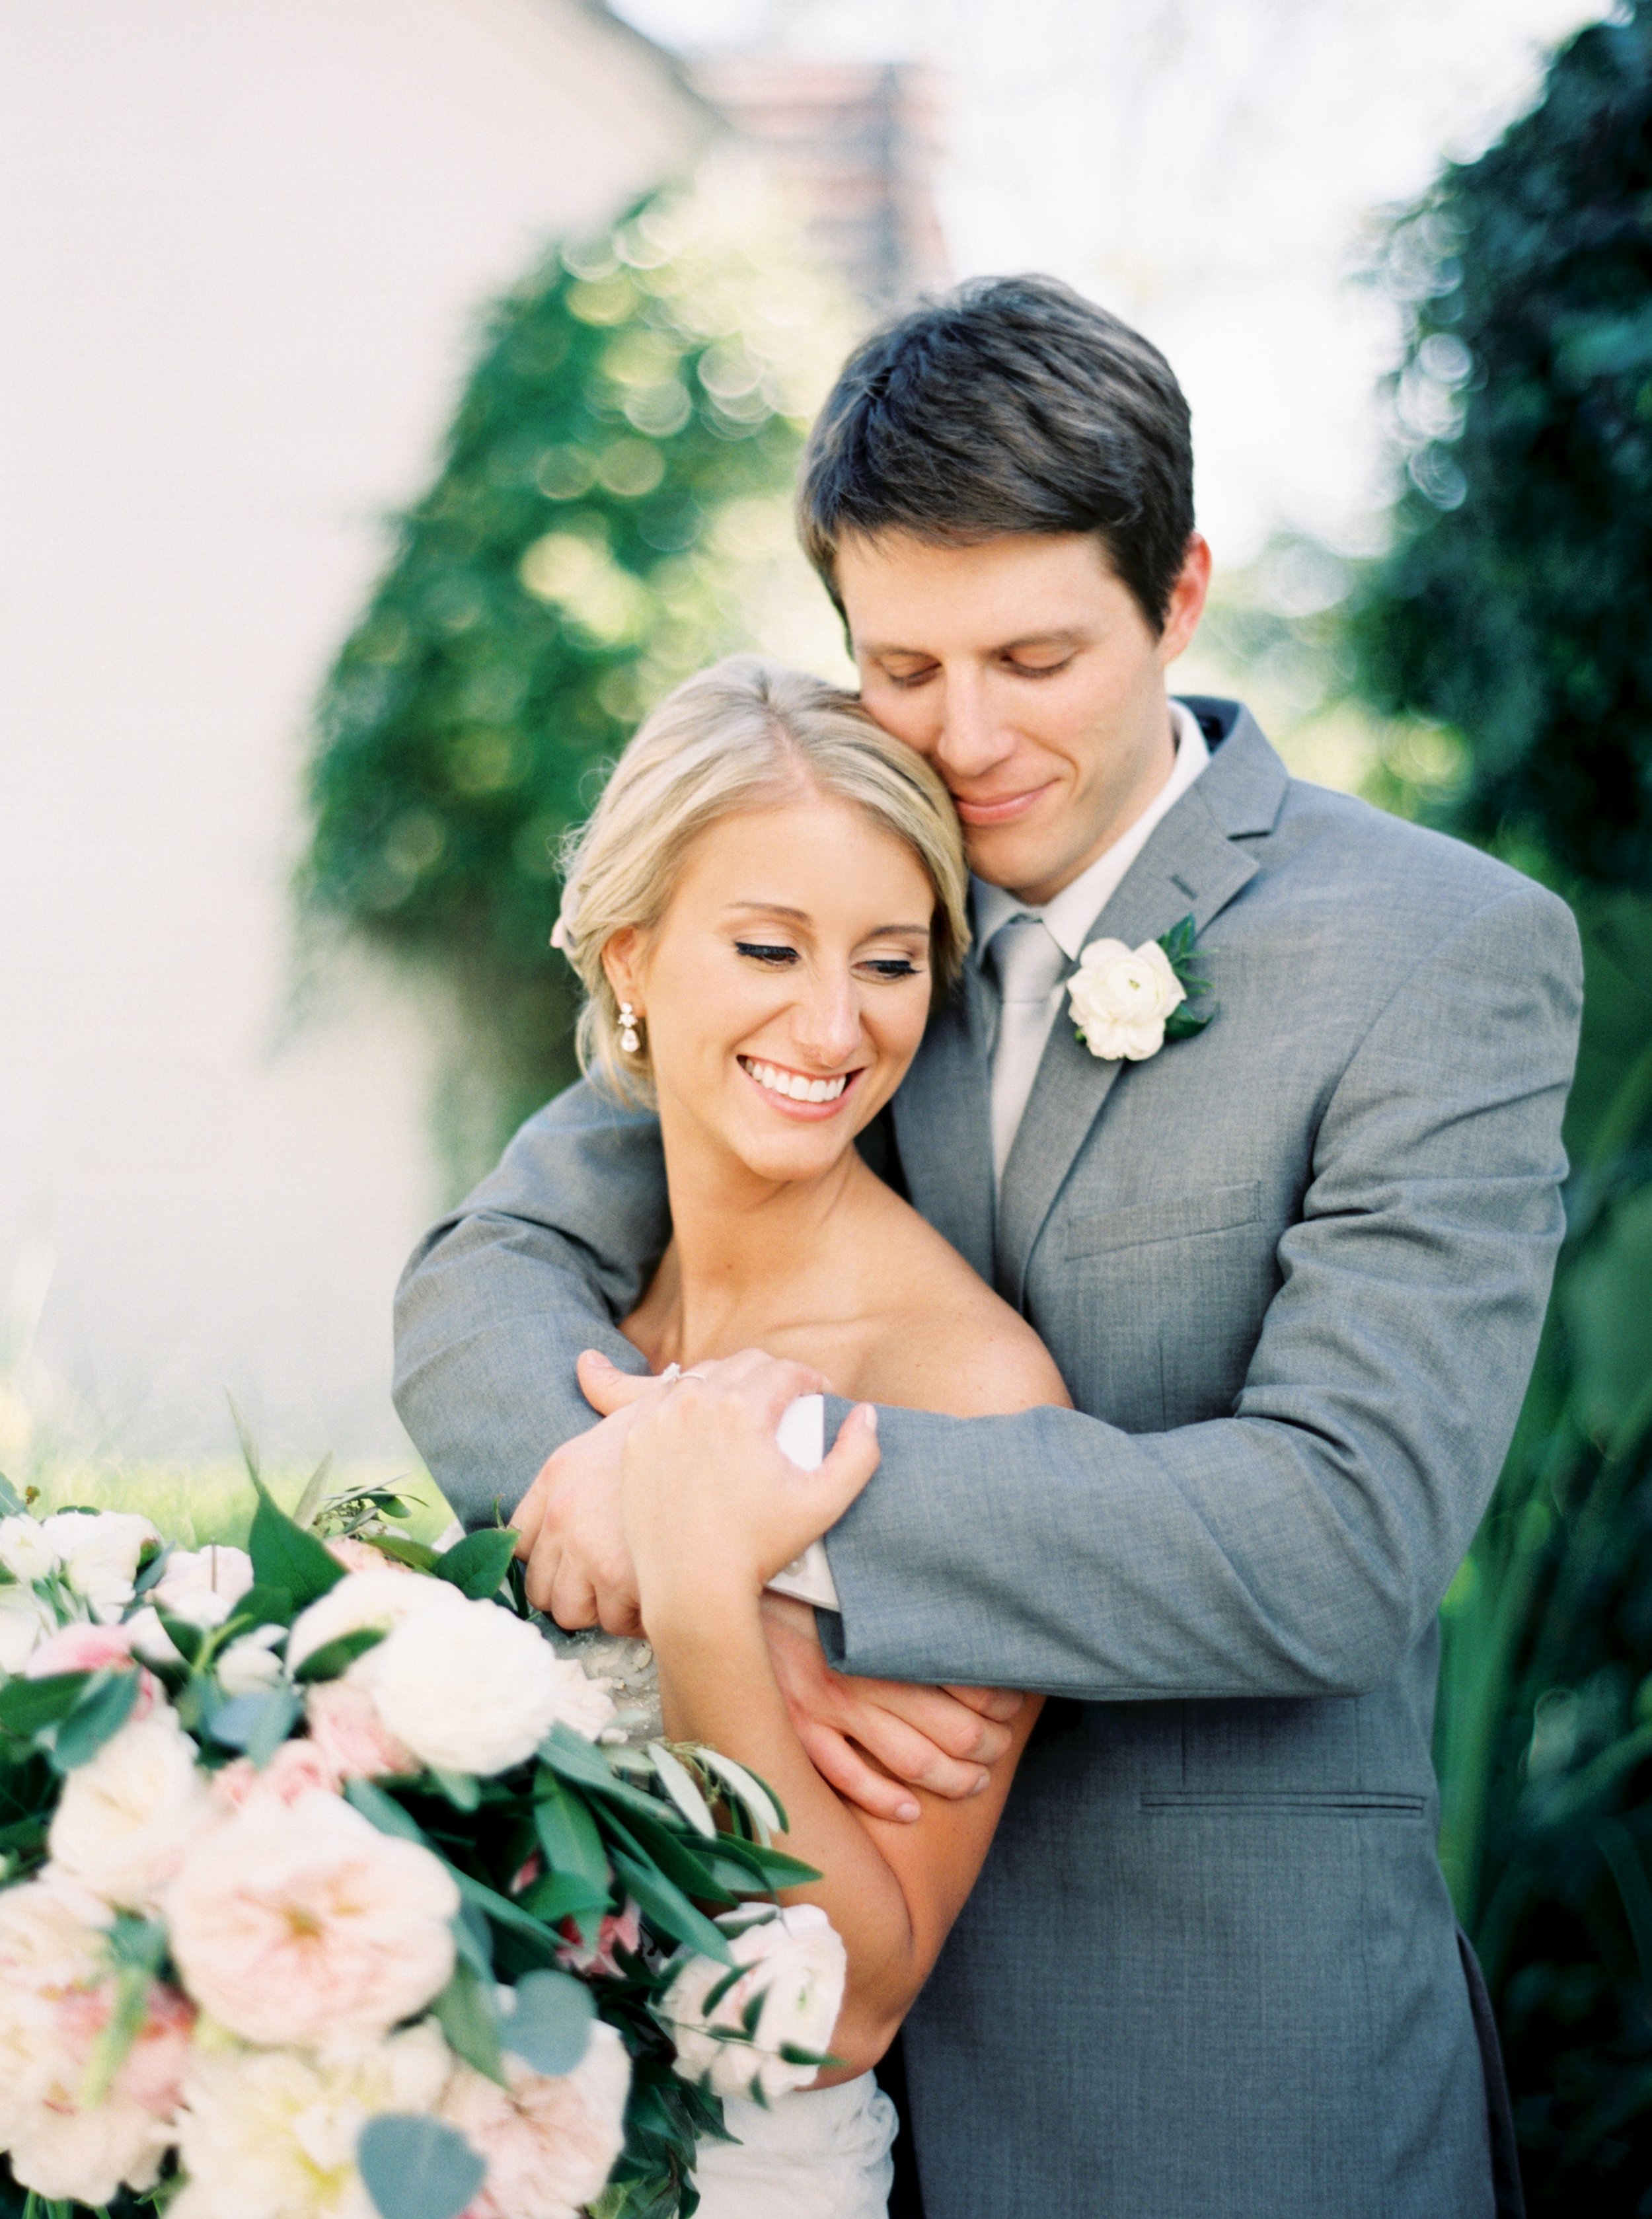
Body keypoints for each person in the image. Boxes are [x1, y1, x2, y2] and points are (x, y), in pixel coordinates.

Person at [393, 277, 1583, 2218]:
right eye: (904, 664)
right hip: (769, 2071)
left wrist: (771, 1524)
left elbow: (1343, 1535)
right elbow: (484, 1278)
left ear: (1177, 591)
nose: (965, 735)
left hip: (1215, 2086)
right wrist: (692, 1564)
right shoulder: (848, 891)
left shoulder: (1431, 952)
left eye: (1035, 657)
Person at [541, 654, 1067, 2214]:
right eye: (768, 945)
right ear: (630, 955)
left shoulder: (965, 1385)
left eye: (889, 962)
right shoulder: (579, 1317)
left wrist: (705, 1595)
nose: (832, 1026)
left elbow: (847, 2001)